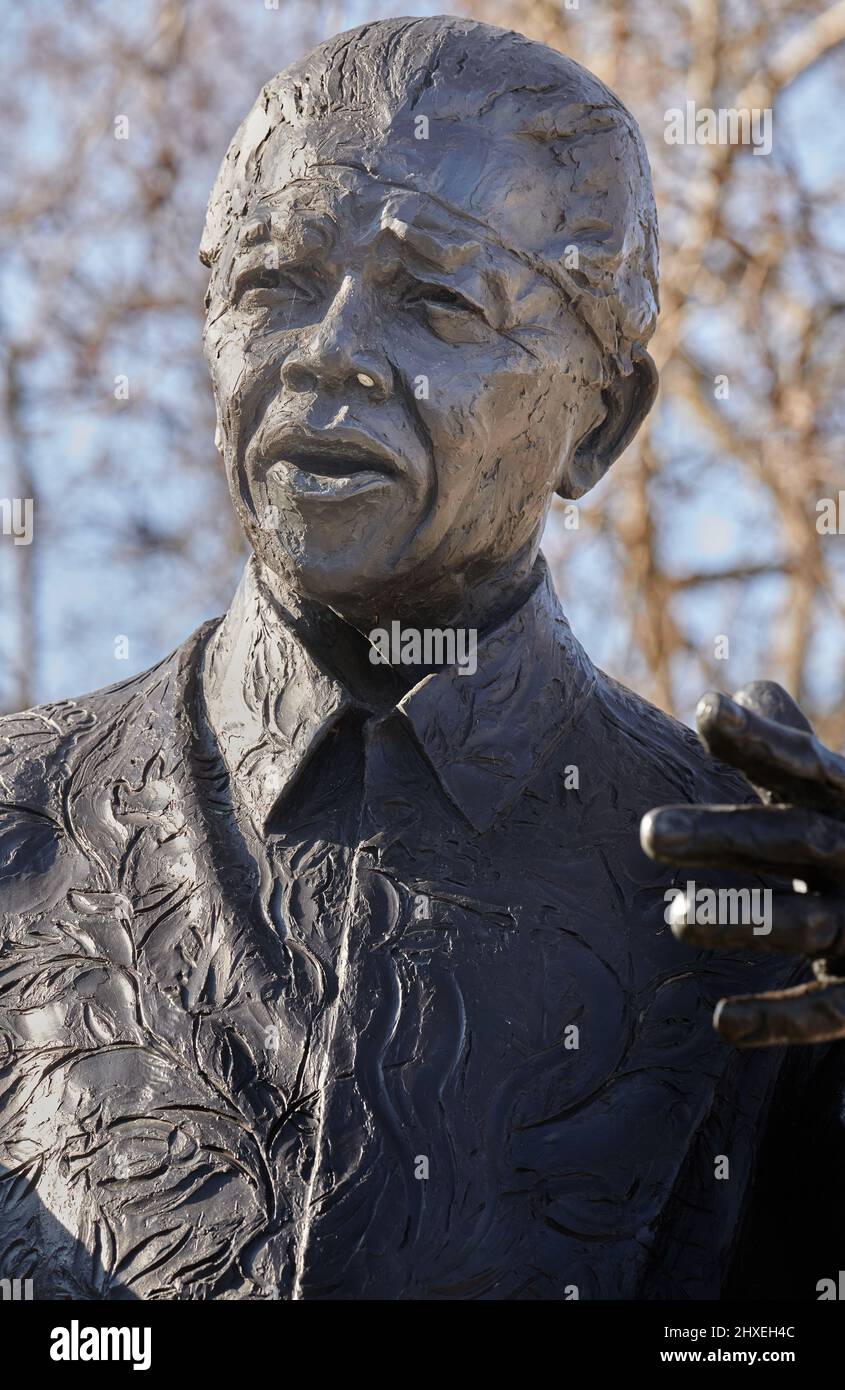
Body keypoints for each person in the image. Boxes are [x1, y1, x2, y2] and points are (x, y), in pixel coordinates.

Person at [1, 15, 842, 1302]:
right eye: (272, 283)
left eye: (438, 298)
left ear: (598, 425)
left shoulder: (762, 919)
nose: (327, 348)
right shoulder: (19, 828)